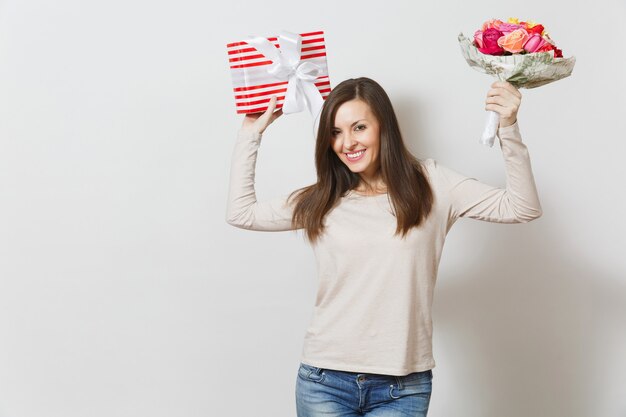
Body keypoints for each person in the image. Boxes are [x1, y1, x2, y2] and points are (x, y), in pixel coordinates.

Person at [226, 77, 541, 417]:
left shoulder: (433, 184)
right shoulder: (323, 199)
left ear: (384, 127)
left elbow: (522, 207)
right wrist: (250, 134)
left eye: (359, 127)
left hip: (402, 387)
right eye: (335, 132)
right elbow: (241, 213)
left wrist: (507, 127)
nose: (347, 143)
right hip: (324, 380)